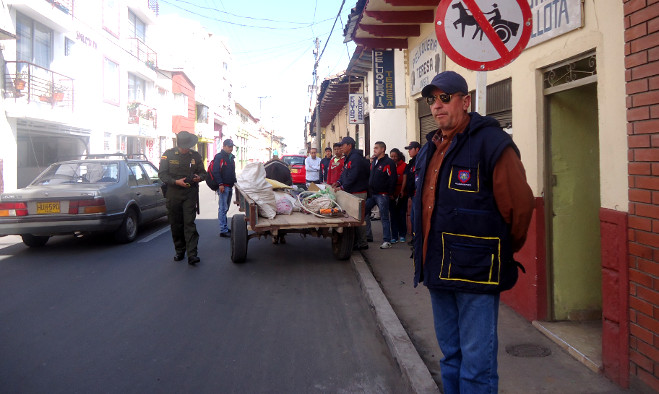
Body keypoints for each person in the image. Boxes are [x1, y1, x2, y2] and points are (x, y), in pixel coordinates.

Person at [413, 71, 534, 393]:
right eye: (432, 100)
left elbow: (519, 208)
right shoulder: (430, 148)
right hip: (437, 267)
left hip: (477, 273)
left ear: (465, 101)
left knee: (477, 365)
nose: (437, 107)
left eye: (445, 98)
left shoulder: (492, 143)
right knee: (451, 356)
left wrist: (498, 251)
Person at [158, 131, 207, 265]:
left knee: (189, 224)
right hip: (173, 194)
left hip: (189, 194)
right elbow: (162, 174)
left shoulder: (195, 156)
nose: (186, 149)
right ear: (179, 144)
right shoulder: (168, 155)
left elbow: (203, 173)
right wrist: (176, 182)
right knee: (176, 224)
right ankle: (180, 250)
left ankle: (192, 254)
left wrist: (199, 178)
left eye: (188, 146)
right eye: (184, 146)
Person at [332, 136, 370, 250]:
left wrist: (343, 187)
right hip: (352, 191)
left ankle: (363, 243)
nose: (341, 147)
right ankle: (356, 241)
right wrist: (338, 182)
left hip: (359, 192)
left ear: (349, 145)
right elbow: (345, 174)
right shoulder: (349, 158)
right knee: (354, 220)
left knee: (359, 220)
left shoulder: (356, 159)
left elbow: (354, 175)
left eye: (343, 145)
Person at [365, 141, 397, 249]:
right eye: (374, 148)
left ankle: (387, 241)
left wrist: (390, 193)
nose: (374, 150)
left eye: (376, 148)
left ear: (383, 149)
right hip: (373, 194)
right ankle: (366, 236)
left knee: (384, 218)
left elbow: (393, 179)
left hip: (382, 195)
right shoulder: (374, 162)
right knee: (363, 211)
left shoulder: (388, 162)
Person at [212, 139, 237, 238]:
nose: (231, 148)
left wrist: (235, 182)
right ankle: (223, 230)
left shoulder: (231, 157)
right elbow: (216, 171)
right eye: (229, 146)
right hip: (223, 187)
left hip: (230, 186)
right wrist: (220, 184)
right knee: (223, 208)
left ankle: (225, 227)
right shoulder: (219, 157)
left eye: (232, 146)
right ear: (224, 146)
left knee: (226, 208)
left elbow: (232, 172)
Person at [388, 148, 407, 244]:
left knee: (401, 215)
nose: (393, 158)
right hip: (391, 194)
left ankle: (402, 234)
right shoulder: (389, 166)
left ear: (399, 156)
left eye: (395, 156)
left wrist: (402, 191)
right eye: (391, 156)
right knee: (393, 216)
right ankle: (394, 236)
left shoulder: (404, 166)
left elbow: (404, 179)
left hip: (401, 194)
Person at [404, 141, 421, 245]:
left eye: (411, 149)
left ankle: (417, 240)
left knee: (416, 218)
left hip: (417, 194)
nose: (409, 151)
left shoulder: (420, 161)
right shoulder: (412, 162)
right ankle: (415, 239)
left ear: (417, 149)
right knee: (413, 218)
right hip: (412, 194)